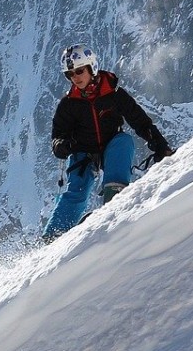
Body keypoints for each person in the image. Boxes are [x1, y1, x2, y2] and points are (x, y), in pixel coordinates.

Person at [42, 44, 174, 241]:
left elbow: (138, 119)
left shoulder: (113, 93)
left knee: (124, 142)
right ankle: (53, 238)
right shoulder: (68, 104)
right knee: (77, 190)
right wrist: (62, 146)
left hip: (111, 143)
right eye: (70, 74)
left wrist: (160, 145)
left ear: (91, 68)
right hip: (82, 150)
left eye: (79, 71)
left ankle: (115, 199)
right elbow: (57, 136)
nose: (76, 77)